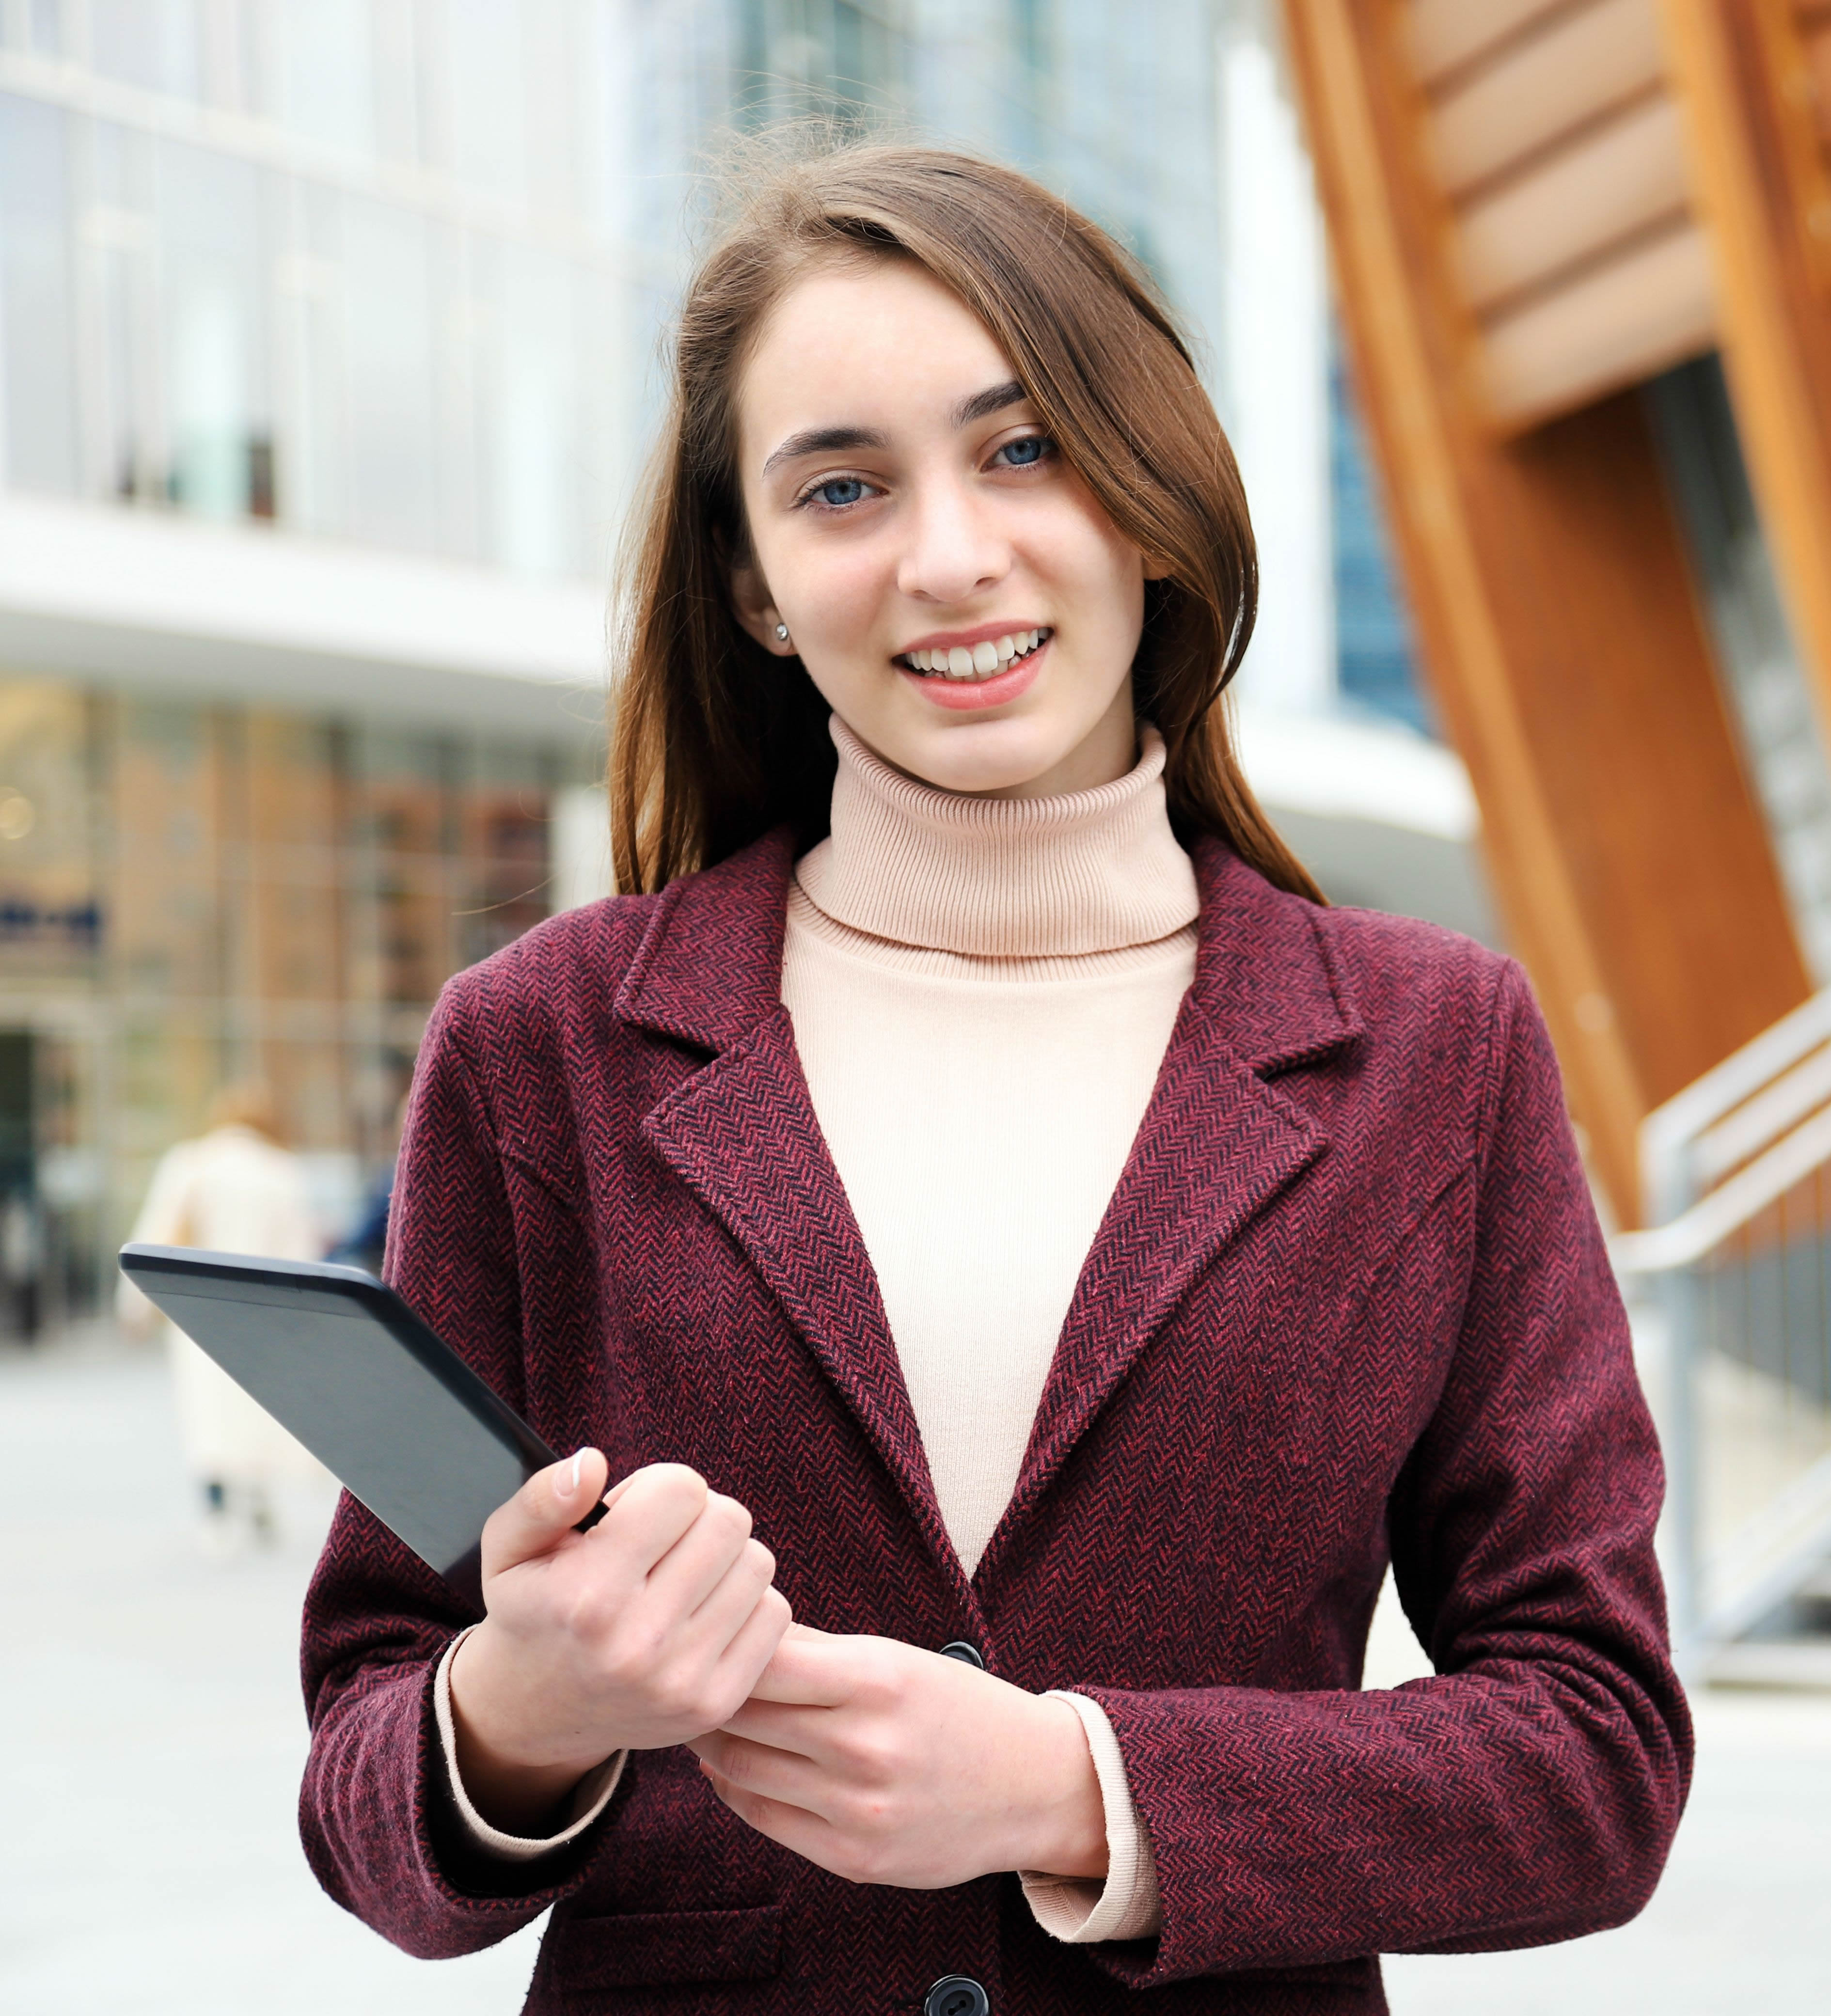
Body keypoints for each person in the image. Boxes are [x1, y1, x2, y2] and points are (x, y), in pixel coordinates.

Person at [300, 146, 1689, 2012]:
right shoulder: (542, 1049)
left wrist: (1073, 1790)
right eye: (842, 486)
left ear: (1155, 503)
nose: (947, 554)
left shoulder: (1437, 1054)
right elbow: (365, 1781)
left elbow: (1595, 1756)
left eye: (1022, 447)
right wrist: (522, 1709)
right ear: (761, 588)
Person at [119, 1082, 325, 1548]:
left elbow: (156, 1233)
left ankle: (217, 1505)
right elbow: (301, 1249)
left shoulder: (191, 1164)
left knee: (207, 1407)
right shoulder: (282, 1171)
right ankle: (255, 1492)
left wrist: (132, 1305)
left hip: (197, 1304)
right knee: (256, 1404)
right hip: (264, 1308)